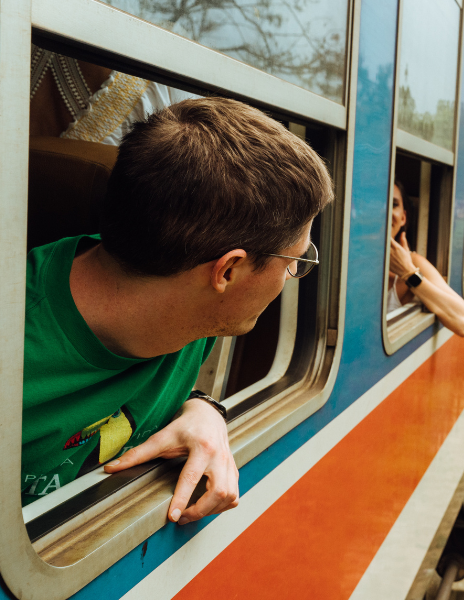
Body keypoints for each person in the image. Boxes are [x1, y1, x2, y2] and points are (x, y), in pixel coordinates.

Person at [22, 97, 333, 526]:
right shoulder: (6, 349)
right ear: (228, 271)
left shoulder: (191, 315)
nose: (293, 274)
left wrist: (204, 409)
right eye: (294, 260)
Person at [386, 182, 464, 336]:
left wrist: (408, 273)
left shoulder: (413, 262)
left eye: (393, 205)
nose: (386, 212)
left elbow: (462, 322)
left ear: (403, 217)